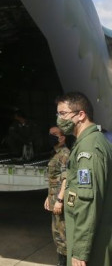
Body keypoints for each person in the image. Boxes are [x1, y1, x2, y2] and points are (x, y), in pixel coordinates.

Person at [55, 92, 112, 266]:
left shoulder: (89, 148)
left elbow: (88, 202)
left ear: (81, 115)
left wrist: (80, 251)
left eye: (63, 113)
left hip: (93, 246)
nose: (59, 119)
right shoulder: (91, 141)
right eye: (57, 114)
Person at [43, 126, 70, 266]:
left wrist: (60, 200)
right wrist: (50, 196)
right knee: (57, 236)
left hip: (61, 203)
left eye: (54, 134)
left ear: (62, 137)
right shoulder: (55, 153)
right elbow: (55, 179)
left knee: (63, 238)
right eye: (49, 134)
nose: (51, 136)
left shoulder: (65, 154)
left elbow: (66, 179)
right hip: (55, 201)